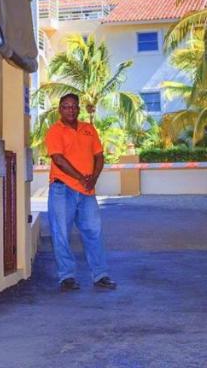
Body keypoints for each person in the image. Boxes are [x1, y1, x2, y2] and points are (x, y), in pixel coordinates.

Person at [44, 92, 115, 291]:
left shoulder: (89, 129)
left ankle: (100, 274)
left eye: (74, 106)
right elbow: (58, 158)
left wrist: (93, 178)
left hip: (86, 191)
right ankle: (66, 276)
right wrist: (81, 177)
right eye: (66, 106)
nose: (71, 110)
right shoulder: (54, 131)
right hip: (62, 189)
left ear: (79, 108)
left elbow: (99, 156)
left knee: (94, 232)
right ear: (60, 109)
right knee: (61, 234)